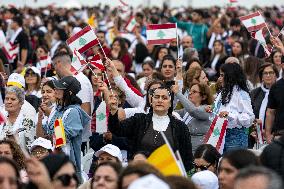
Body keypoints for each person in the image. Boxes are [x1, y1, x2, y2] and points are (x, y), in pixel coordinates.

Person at [108, 85, 193, 172]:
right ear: (151, 101)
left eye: (164, 98)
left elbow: (187, 158)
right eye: (156, 97)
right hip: (140, 173)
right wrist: (114, 111)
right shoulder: (139, 120)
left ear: (170, 103)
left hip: (168, 176)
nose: (160, 100)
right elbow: (117, 130)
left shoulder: (180, 127)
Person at [42, 76, 90, 180]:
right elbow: (44, 131)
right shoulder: (56, 109)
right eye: (56, 87)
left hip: (68, 166)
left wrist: (49, 135)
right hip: (52, 161)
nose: (56, 90)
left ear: (70, 92)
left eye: (60, 88)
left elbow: (61, 139)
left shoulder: (73, 111)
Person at [210, 63, 254, 151]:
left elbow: (249, 117)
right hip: (219, 134)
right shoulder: (223, 92)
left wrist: (230, 115)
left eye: (222, 75)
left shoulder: (241, 93)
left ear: (230, 76)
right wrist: (211, 109)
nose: (219, 79)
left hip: (236, 137)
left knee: (232, 164)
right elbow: (218, 111)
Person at [173, 83, 213, 151]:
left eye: (194, 92)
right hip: (184, 150)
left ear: (203, 97)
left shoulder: (207, 109)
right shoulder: (185, 111)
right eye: (190, 91)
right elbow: (170, 112)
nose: (190, 93)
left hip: (198, 154)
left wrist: (178, 93)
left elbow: (193, 111)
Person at [250, 63, 278, 140]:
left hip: (275, 137)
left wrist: (270, 134)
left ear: (276, 76)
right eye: (265, 73)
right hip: (255, 137)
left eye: (271, 73)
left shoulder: (280, 92)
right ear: (261, 77)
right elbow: (249, 114)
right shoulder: (254, 93)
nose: (268, 75)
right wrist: (252, 129)